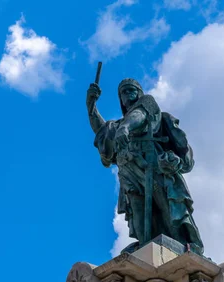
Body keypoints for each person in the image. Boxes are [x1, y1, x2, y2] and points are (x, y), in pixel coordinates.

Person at [86, 78, 204, 254]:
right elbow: (102, 131)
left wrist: (125, 128)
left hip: (151, 165)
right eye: (123, 92)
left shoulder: (147, 105)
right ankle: (145, 243)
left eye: (131, 90)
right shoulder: (117, 126)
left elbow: (138, 116)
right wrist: (91, 106)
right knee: (137, 207)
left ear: (139, 92)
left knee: (165, 205)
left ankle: (183, 243)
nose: (128, 94)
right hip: (128, 170)